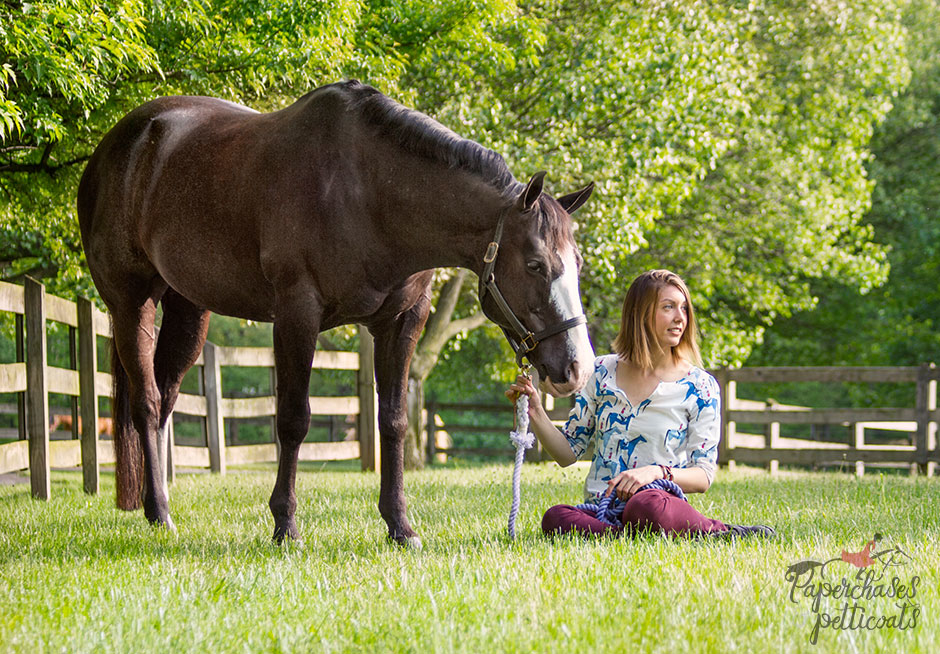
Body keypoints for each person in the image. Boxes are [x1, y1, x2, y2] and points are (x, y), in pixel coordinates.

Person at [506, 269, 775, 539]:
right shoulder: (600, 372)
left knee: (645, 506)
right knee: (556, 517)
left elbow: (703, 476)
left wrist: (654, 473)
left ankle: (721, 532)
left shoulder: (699, 386)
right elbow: (568, 454)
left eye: (683, 308)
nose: (680, 317)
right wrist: (536, 412)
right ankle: (623, 535)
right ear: (640, 314)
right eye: (668, 307)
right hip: (605, 507)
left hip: (657, 503)